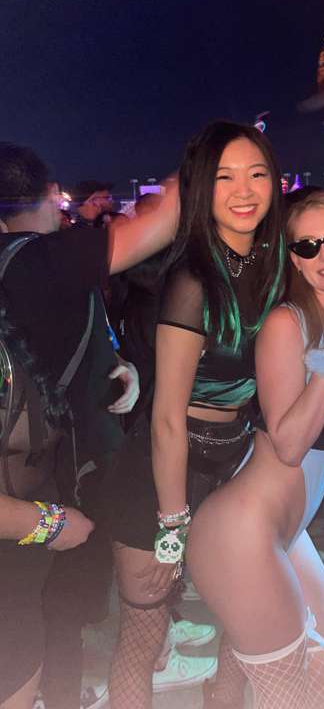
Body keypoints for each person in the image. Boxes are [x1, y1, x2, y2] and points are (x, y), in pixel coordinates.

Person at [105, 121, 286, 709]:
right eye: (225, 177)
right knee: (142, 637)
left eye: (257, 174)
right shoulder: (193, 279)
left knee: (244, 623)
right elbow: (166, 417)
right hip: (161, 474)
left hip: (234, 464)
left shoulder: (274, 266)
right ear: (201, 189)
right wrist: (171, 527)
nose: (244, 190)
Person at [0, 143, 176, 709]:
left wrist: (113, 364)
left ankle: (62, 691)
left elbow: (42, 353)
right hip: (37, 500)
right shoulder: (36, 258)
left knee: (46, 616)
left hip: (46, 483)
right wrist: (48, 523)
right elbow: (161, 220)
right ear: (52, 195)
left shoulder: (28, 263)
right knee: (35, 624)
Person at [187, 191, 324, 708]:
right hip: (243, 532)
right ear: (294, 259)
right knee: (287, 697)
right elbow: (290, 446)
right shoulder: (288, 324)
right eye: (308, 246)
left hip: (289, 532)